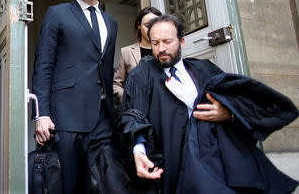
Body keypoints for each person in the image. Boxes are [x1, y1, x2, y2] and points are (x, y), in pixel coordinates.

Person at [115, 14, 299, 194]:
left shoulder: (204, 69)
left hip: (216, 155)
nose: (161, 48)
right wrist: (138, 151)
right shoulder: (141, 76)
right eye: (155, 43)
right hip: (176, 161)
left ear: (182, 41)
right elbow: (133, 115)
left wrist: (229, 112)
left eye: (167, 41)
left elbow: (241, 101)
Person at [32, 0, 118, 193]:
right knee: (68, 185)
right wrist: (42, 114)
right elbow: (43, 65)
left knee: (104, 184)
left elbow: (105, 69)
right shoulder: (57, 14)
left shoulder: (111, 23)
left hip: (103, 119)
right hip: (66, 116)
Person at [113, 7, 161, 108]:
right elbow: (116, 84)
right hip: (138, 110)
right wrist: (129, 100)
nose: (151, 30)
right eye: (147, 25)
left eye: (155, 25)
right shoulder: (126, 52)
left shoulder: (165, 50)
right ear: (139, 26)